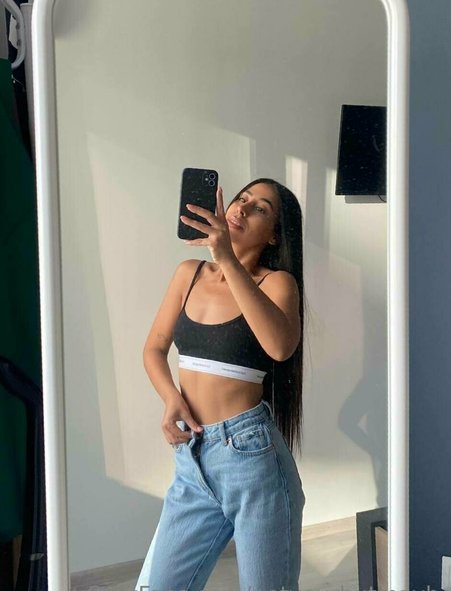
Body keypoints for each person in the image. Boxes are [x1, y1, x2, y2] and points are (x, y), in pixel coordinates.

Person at [135, 178, 308, 591]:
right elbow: (154, 349)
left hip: (251, 459)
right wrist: (171, 398)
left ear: (274, 236)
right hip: (192, 459)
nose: (242, 208)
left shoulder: (276, 283)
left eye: (260, 208)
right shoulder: (188, 274)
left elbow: (280, 347)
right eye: (241, 199)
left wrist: (228, 259)